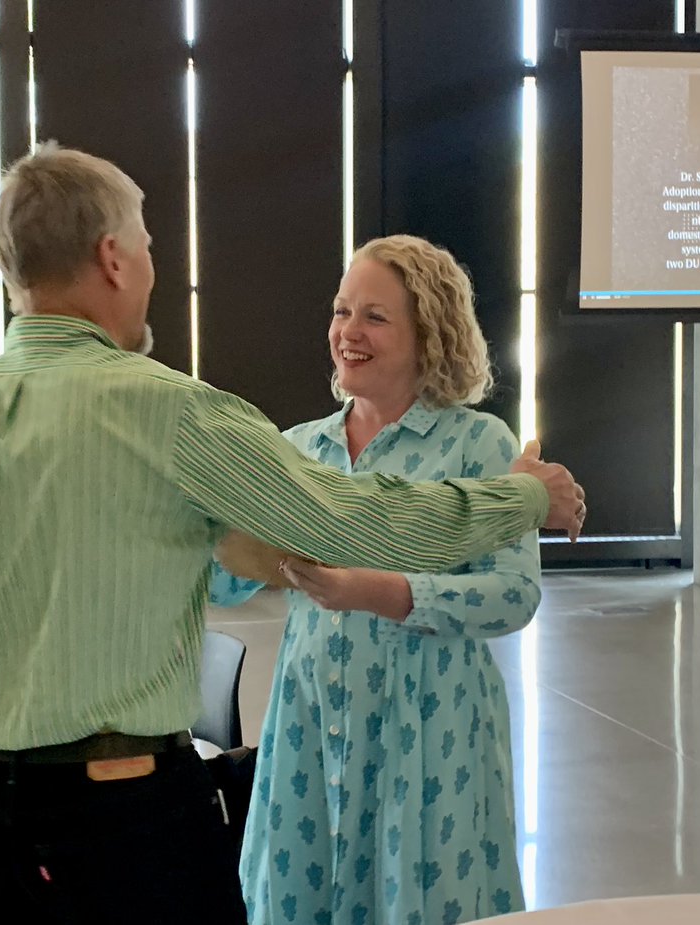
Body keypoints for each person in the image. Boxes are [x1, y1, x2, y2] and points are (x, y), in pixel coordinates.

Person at [0, 145, 585, 925]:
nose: (156, 265)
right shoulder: (170, 413)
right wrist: (522, 498)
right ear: (112, 258)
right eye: (151, 244)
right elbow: (361, 520)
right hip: (115, 825)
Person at [212, 235, 548, 924]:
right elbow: (225, 585)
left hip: (431, 731)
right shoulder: (299, 448)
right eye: (341, 311)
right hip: (309, 728)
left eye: (374, 316)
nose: (348, 332)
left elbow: (513, 594)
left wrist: (379, 592)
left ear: (430, 330)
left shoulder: (479, 444)